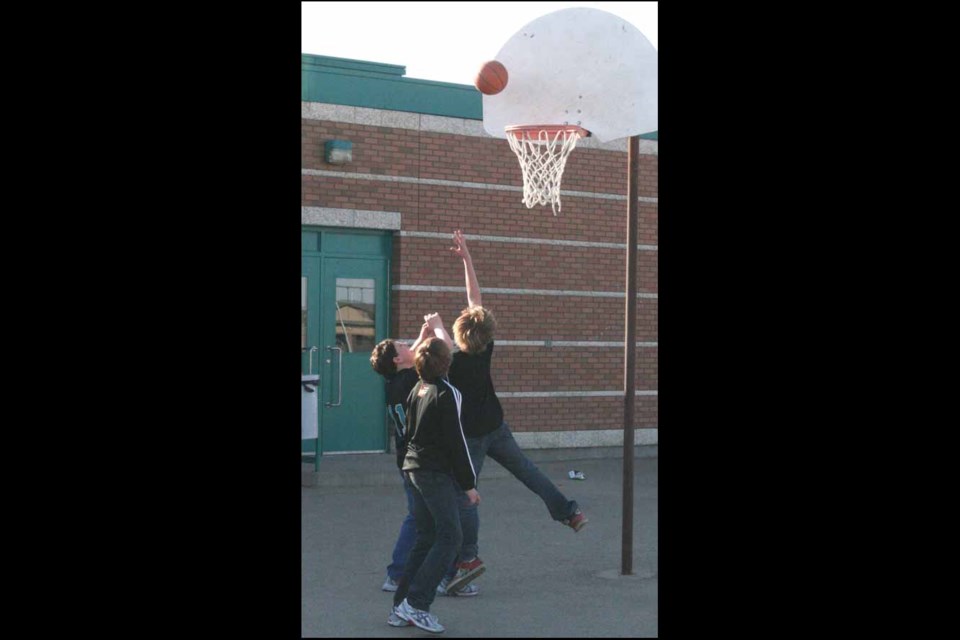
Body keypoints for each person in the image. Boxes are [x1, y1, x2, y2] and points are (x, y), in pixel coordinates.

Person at [443, 229, 587, 593]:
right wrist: (468, 259)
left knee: (466, 494)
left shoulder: (454, 361)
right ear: (486, 334)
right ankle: (569, 511)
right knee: (528, 472)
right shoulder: (483, 349)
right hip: (496, 425)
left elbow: (449, 332)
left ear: (459, 335)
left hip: (472, 436)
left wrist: (435, 326)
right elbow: (475, 299)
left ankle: (468, 558)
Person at [370, 315, 481, 600]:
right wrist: (439, 328)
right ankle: (442, 576)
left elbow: (409, 358)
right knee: (441, 524)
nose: (409, 344)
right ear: (398, 360)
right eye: (401, 344)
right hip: (427, 464)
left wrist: (421, 336)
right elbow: (442, 353)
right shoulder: (415, 381)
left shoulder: (394, 382)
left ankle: (400, 575)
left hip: (407, 461)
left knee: (421, 521)